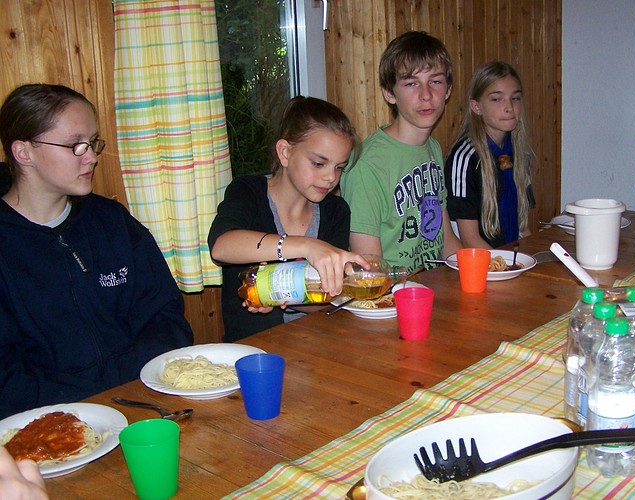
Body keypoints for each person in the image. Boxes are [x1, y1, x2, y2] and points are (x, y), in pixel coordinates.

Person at [0, 84, 193, 420]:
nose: (91, 156)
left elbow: (165, 315)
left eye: (92, 143)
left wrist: (130, 384)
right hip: (50, 422)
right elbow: (8, 377)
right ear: (23, 152)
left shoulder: (112, 221)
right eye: (75, 145)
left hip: (141, 398)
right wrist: (93, 401)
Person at [208, 96, 367, 342]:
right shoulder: (247, 191)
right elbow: (222, 246)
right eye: (319, 163)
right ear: (285, 152)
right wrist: (307, 246)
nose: (330, 177)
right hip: (254, 350)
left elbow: (327, 300)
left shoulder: (336, 211)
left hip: (315, 348)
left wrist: (276, 293)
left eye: (339, 167)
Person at [340, 31, 463, 273]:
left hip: (434, 284)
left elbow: (446, 238)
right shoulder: (366, 165)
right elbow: (370, 270)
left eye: (436, 81)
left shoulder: (433, 147)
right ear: (389, 93)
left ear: (448, 90)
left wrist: (482, 272)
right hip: (393, 292)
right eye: (411, 83)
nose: (426, 95)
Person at [445, 61, 535, 248]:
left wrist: (530, 256)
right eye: (497, 99)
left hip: (508, 255)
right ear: (476, 107)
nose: (509, 107)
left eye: (515, 98)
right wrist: (504, 263)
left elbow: (524, 229)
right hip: (476, 259)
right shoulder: (465, 158)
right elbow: (469, 240)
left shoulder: (519, 154)